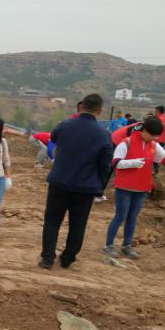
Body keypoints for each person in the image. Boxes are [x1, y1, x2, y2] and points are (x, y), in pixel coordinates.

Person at [103, 116, 165, 258]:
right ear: (144, 130)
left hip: (142, 189)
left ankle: (126, 246)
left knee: (132, 217)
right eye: (152, 135)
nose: (154, 138)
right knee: (120, 216)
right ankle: (109, 246)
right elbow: (115, 163)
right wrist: (132, 163)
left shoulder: (153, 145)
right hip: (124, 188)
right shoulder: (126, 143)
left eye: (156, 136)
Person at [39, 93, 113, 270]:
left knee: (52, 221)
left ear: (81, 107)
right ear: (99, 110)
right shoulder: (103, 135)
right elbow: (105, 166)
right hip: (85, 188)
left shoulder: (64, 125)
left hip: (59, 182)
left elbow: (54, 140)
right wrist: (100, 189)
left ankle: (47, 258)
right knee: (78, 224)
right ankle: (67, 258)